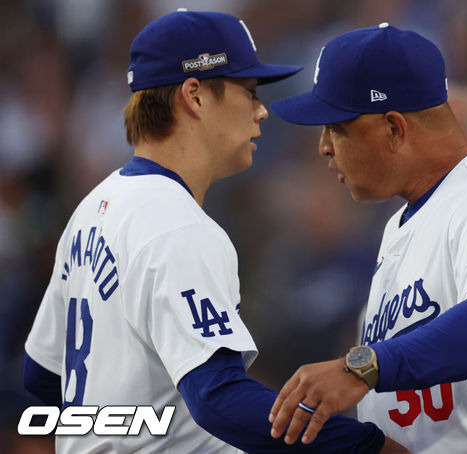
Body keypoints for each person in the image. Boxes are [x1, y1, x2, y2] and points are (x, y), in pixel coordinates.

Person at [22, 10, 407, 454]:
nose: (262, 110)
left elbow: (43, 377)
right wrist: (364, 446)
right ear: (196, 96)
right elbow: (219, 398)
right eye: (248, 92)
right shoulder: (176, 225)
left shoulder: (92, 209)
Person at [268, 23, 467, 453]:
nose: (324, 146)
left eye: (336, 127)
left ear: (394, 128)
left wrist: (360, 368)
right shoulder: (403, 224)